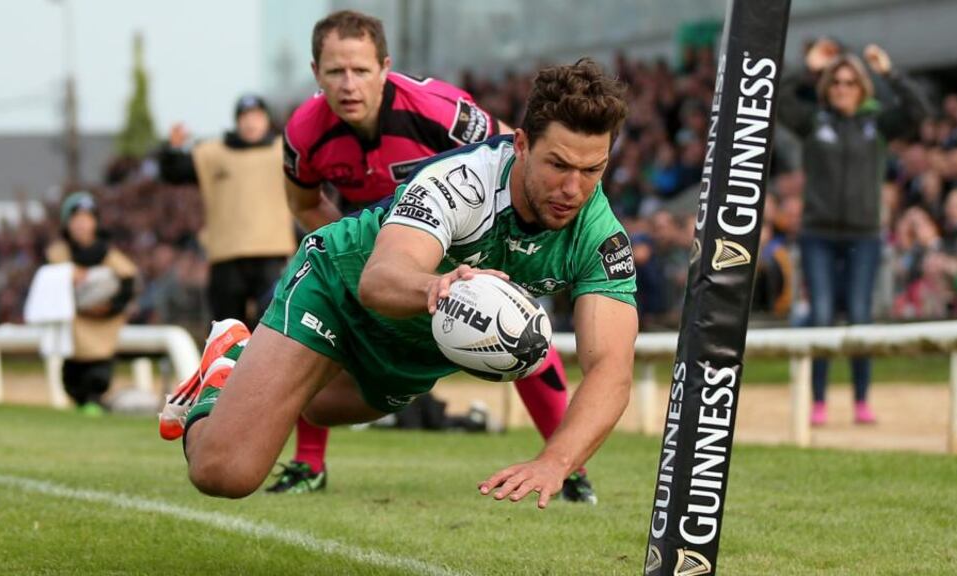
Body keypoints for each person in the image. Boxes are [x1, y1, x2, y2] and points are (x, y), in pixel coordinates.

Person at [159, 59, 637, 508]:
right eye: (558, 165)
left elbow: (611, 370)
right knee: (225, 473)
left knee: (321, 411)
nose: (573, 188)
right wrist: (437, 287)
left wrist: (556, 462)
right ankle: (222, 374)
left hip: (413, 350)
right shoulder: (459, 183)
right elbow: (381, 279)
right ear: (523, 144)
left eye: (592, 169)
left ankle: (240, 364)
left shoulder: (600, 238)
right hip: (339, 291)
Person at [270, 10, 595, 502]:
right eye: (335, 72)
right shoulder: (302, 132)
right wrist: (354, 254)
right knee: (320, 327)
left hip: (463, 242)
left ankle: (569, 469)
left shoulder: (439, 110)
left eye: (360, 69)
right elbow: (302, 203)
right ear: (316, 74)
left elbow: (517, 154)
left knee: (516, 328)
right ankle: (307, 463)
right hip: (374, 249)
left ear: (385, 67)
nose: (349, 84)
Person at [779, 43, 928, 426]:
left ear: (862, 87)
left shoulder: (875, 124)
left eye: (851, 82)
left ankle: (862, 401)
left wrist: (889, 72)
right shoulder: (814, 122)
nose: (843, 88)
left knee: (861, 317)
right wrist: (807, 69)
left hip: (864, 235)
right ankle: (819, 402)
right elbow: (776, 100)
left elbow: (919, 111)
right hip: (818, 235)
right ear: (827, 87)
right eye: (837, 82)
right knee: (823, 317)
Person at [158, 94, 295, 330]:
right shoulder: (214, 153)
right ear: (237, 121)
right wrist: (172, 148)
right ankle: (226, 368)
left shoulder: (283, 150)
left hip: (273, 252)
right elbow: (174, 172)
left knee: (275, 323)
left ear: (266, 120)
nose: (251, 123)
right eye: (245, 117)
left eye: (256, 116)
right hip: (226, 253)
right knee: (226, 326)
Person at [47, 192, 137, 414]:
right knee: (72, 377)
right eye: (76, 219)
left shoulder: (109, 255)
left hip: (102, 328)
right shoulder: (58, 254)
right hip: (73, 329)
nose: (81, 225)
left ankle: (93, 402)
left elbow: (126, 284)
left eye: (87, 219)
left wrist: (106, 307)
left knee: (97, 374)